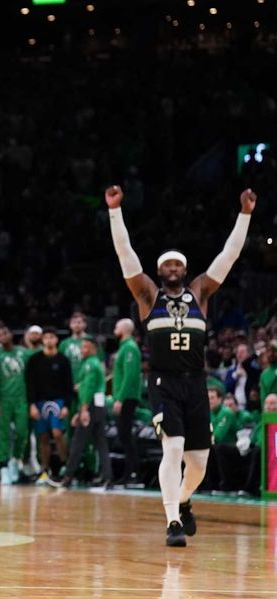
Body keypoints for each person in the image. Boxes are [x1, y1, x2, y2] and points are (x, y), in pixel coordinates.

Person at [106, 184, 256, 546]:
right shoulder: (147, 295)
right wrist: (115, 211)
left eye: (178, 264)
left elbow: (229, 254)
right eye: (167, 264)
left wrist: (245, 214)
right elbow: (125, 253)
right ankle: (172, 520)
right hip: (163, 382)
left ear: (185, 270)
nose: (172, 268)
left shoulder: (201, 292)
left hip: (196, 383)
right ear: (160, 271)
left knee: (200, 462)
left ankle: (184, 499)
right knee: (173, 448)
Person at [54, 336, 112, 489]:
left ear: (94, 349)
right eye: (81, 347)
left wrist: (83, 411)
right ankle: (108, 478)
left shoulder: (90, 365)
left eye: (86, 347)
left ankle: (67, 478)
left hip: (91, 406)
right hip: (97, 406)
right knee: (101, 443)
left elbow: (88, 389)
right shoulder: (92, 364)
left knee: (77, 443)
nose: (82, 350)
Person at [25, 327, 73, 483]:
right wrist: (31, 405)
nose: (49, 340)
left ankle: (65, 466)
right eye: (46, 338)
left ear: (56, 340)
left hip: (58, 401)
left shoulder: (63, 360)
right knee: (43, 437)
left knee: (57, 433)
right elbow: (30, 384)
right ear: (42, 340)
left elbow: (69, 385)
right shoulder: (34, 360)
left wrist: (66, 405)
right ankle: (45, 469)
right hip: (39, 402)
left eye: (52, 337)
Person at [0, 324, 30, 485]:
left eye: (5, 333)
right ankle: (4, 466)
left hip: (21, 399)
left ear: (11, 334)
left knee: (22, 432)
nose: (3, 336)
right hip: (3, 400)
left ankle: (16, 460)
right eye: (0, 335)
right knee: (3, 434)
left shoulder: (23, 353)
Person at [112, 318, 144, 488]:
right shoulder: (124, 347)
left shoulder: (130, 348)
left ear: (124, 329)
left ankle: (134, 474)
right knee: (124, 436)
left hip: (128, 397)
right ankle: (129, 473)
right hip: (124, 397)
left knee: (126, 435)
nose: (114, 329)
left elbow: (130, 376)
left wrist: (120, 398)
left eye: (116, 326)